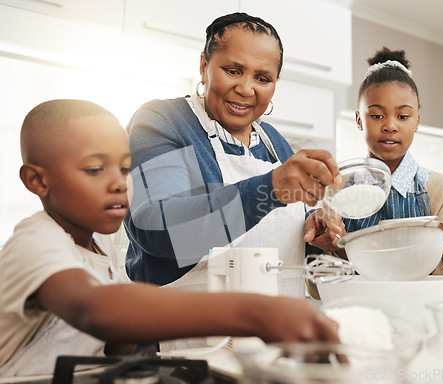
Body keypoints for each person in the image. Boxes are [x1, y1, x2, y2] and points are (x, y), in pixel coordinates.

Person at [0, 99, 341, 377]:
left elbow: (114, 338)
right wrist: (255, 312)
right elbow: (94, 310)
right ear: (37, 181)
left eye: (124, 168)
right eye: (94, 169)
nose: (120, 183)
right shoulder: (36, 240)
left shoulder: (97, 244)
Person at [124, 12, 344, 297]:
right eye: (233, 71)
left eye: (262, 78)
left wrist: (318, 229)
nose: (245, 88)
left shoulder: (275, 143)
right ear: (204, 65)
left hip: (275, 329)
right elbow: (156, 230)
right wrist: (271, 189)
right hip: (185, 333)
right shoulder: (165, 121)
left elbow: (288, 247)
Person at [343, 47, 443, 297]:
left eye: (403, 115)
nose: (390, 125)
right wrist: (333, 248)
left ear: (417, 120)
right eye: (377, 115)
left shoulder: (440, 190)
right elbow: (315, 287)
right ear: (358, 120)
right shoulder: (339, 189)